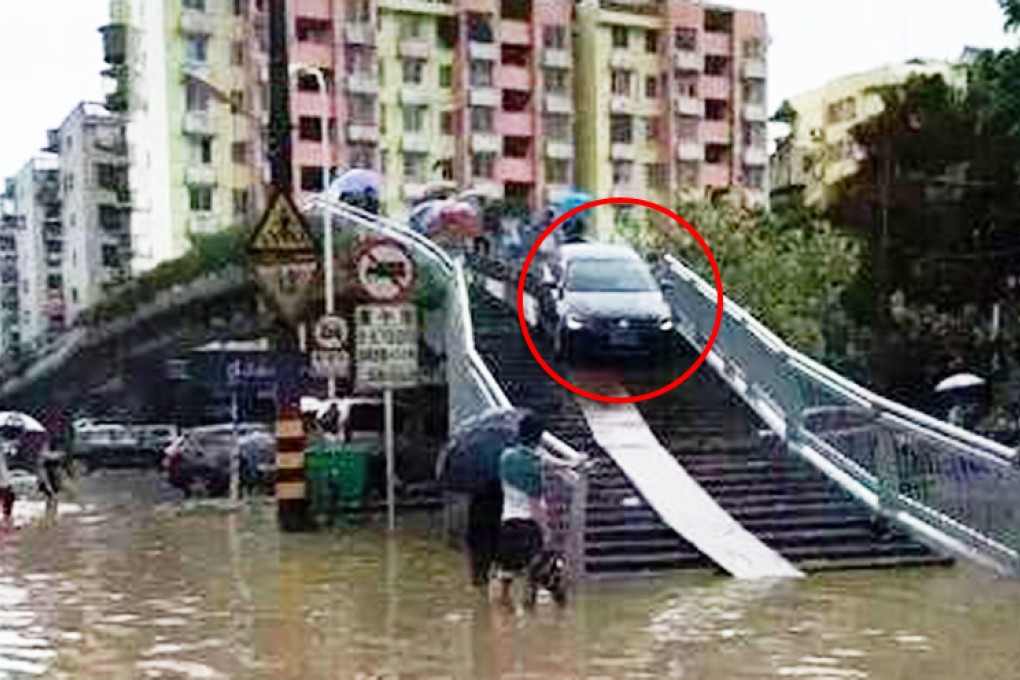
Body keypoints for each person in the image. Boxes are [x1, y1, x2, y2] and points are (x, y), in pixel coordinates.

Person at [495, 413, 546, 609]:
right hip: (529, 525)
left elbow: (535, 457)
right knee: (532, 577)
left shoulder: (506, 457)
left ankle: (504, 620)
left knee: (506, 575)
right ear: (539, 437)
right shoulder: (533, 468)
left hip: (508, 523)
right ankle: (529, 615)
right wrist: (546, 531)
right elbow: (535, 503)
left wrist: (564, 464)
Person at [467, 478, 504, 588]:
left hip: (479, 524)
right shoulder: (499, 497)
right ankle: (486, 577)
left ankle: (478, 577)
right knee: (490, 551)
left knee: (479, 552)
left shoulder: (476, 496)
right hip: (492, 524)